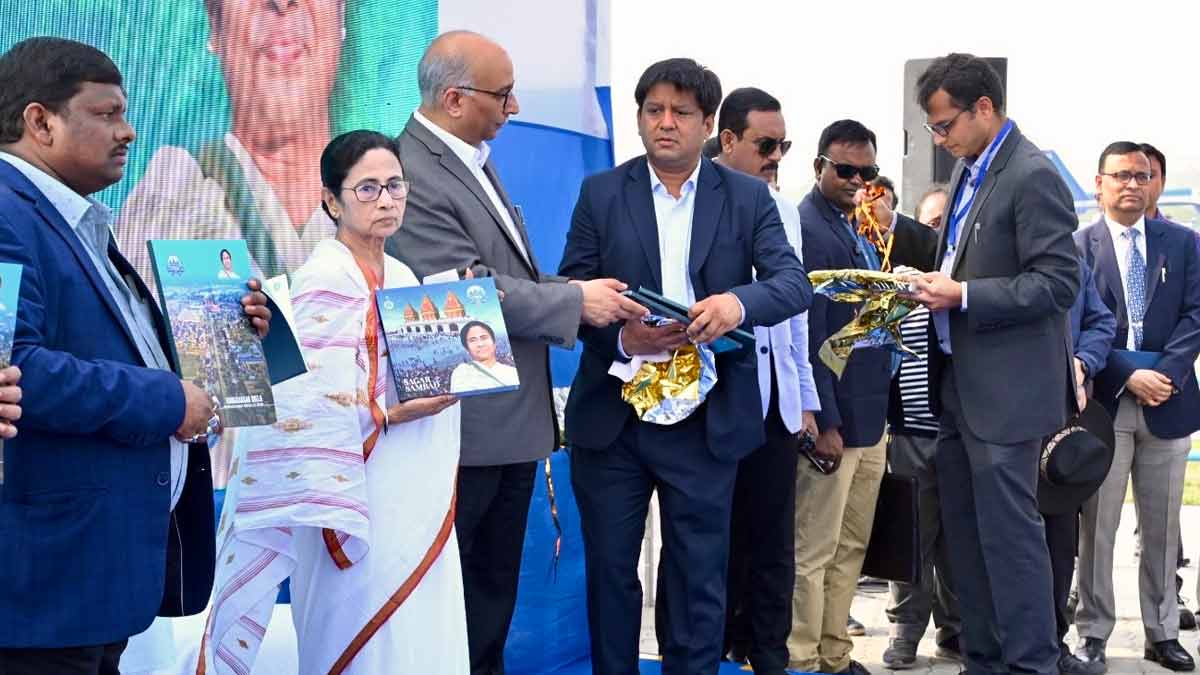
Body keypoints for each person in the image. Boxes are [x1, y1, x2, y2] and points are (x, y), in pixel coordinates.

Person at [0, 37, 270, 674]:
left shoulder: (78, 221)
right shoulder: (8, 214)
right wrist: (169, 399)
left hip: (92, 576)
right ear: (40, 122)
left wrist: (231, 336)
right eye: (107, 113)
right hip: (45, 584)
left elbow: (112, 348)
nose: (128, 132)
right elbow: (19, 370)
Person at [385, 31, 645, 675]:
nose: (515, 107)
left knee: (490, 595)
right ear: (453, 98)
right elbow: (457, 293)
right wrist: (573, 303)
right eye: (502, 95)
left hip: (500, 419)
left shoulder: (467, 156)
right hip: (460, 423)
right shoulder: (409, 171)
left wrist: (585, 295)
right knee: (460, 599)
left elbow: (509, 276)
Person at [559, 58, 811, 674]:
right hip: (614, 417)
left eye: (681, 113)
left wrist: (733, 305)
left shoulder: (749, 197)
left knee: (700, 582)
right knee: (612, 577)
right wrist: (625, 338)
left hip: (707, 418)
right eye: (653, 111)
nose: (665, 124)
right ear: (640, 117)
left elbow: (793, 284)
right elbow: (572, 286)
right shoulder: (601, 192)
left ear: (708, 126)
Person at [203, 130, 468, 674]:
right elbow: (302, 405)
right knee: (357, 641)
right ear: (331, 200)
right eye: (367, 189)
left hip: (408, 491)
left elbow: (415, 374)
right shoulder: (322, 277)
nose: (387, 199)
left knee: (418, 635)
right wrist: (389, 414)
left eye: (395, 185)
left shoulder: (404, 276)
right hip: (346, 498)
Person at [907, 53, 1080, 675]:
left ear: (984, 108)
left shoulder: (1030, 174)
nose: (940, 138)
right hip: (957, 385)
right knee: (966, 540)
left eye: (945, 124)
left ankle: (1032, 663)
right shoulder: (969, 171)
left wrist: (965, 295)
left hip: (1006, 395)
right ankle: (982, 659)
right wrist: (933, 284)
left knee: (1010, 539)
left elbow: (1059, 282)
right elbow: (966, 263)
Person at [788, 118, 937, 675]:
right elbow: (807, 338)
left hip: (872, 416)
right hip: (835, 422)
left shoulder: (858, 228)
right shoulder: (806, 229)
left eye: (866, 171)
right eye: (844, 169)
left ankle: (834, 653)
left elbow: (862, 327)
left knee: (852, 547)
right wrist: (824, 421)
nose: (855, 179)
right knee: (815, 551)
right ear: (819, 166)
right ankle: (801, 659)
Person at [1072, 142, 1200, 673]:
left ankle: (1162, 632)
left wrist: (1164, 374)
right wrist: (1130, 373)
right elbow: (1078, 324)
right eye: (1121, 175)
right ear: (1098, 183)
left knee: (1163, 525)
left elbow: (1196, 313)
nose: (1133, 184)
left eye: (1143, 175)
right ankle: (1094, 631)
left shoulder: (1184, 243)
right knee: (1097, 526)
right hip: (1105, 401)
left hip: (1168, 401)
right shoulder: (1078, 247)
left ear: (1155, 184)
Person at [709, 86, 819, 675]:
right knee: (716, 542)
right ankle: (717, 651)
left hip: (776, 401)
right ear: (728, 140)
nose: (777, 155)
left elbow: (795, 311)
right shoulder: (696, 197)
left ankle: (769, 657)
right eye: (766, 144)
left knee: (775, 542)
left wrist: (804, 399)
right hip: (716, 399)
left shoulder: (780, 207)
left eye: (784, 145)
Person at [1040, 254, 1115, 675]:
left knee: (1059, 541)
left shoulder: (1072, 261)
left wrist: (1082, 363)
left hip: (1061, 428)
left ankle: (1052, 645)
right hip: (1001, 424)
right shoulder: (990, 252)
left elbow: (1100, 322)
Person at [449, 320, 519, 393]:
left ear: (494, 343)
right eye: (473, 340)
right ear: (467, 349)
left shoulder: (512, 373)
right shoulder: (460, 373)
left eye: (484, 338)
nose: (480, 344)